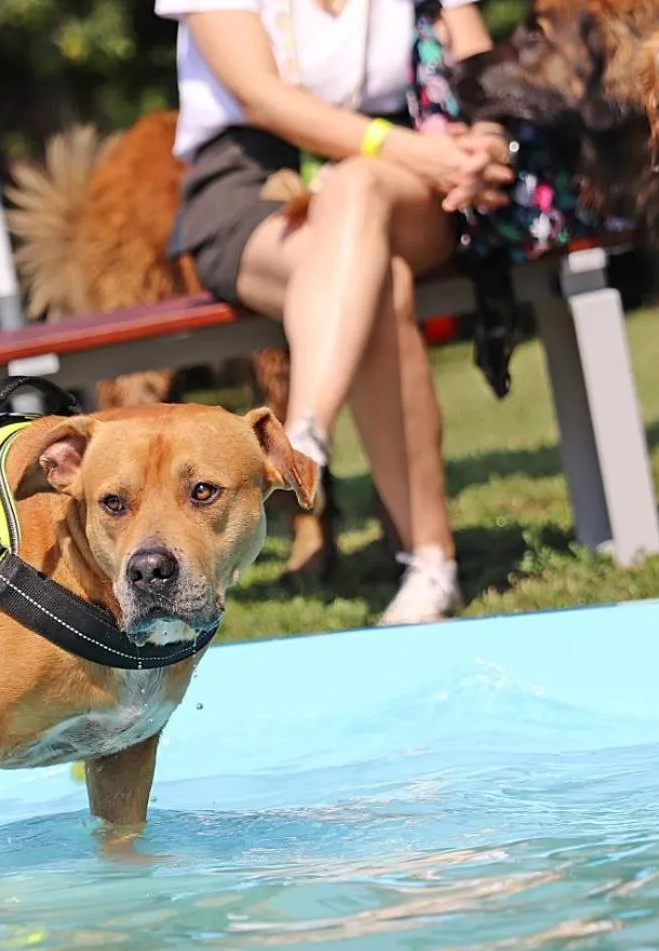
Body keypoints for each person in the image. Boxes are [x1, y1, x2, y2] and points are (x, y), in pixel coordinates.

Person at [157, 0, 511, 624]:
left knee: (357, 187)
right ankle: (432, 562)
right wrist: (395, 146)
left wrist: (485, 142)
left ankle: (303, 437)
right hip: (252, 182)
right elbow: (260, 96)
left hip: (402, 177)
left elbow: (479, 67)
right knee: (380, 284)